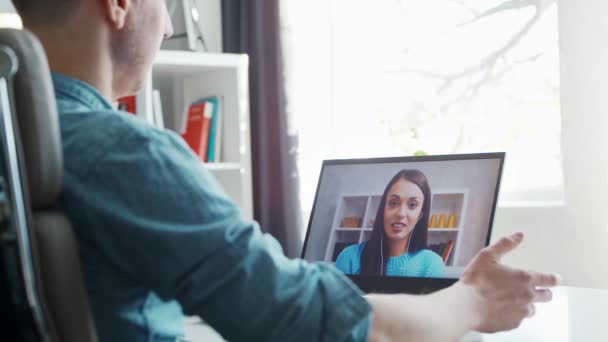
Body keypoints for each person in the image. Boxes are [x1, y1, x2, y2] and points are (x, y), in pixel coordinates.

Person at [10, 0, 560, 341]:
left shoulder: (24, 145)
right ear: (120, 3)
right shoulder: (126, 153)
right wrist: (474, 299)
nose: (170, 20)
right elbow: (308, 324)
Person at [336, 169, 445, 277]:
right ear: (383, 207)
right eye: (393, 203)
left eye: (412, 205)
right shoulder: (349, 257)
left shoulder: (432, 264)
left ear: (420, 215)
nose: (401, 214)